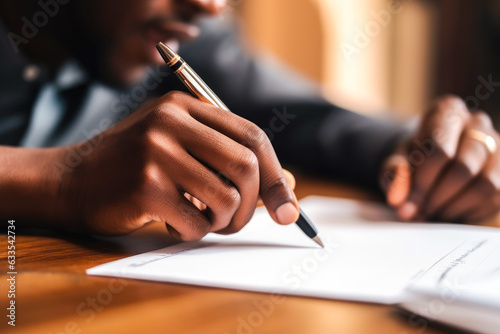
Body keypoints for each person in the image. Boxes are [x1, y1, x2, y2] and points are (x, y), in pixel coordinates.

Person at [0, 0, 499, 240]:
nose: (211, 5)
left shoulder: (182, 32)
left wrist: (428, 150)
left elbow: (306, 119)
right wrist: (61, 182)